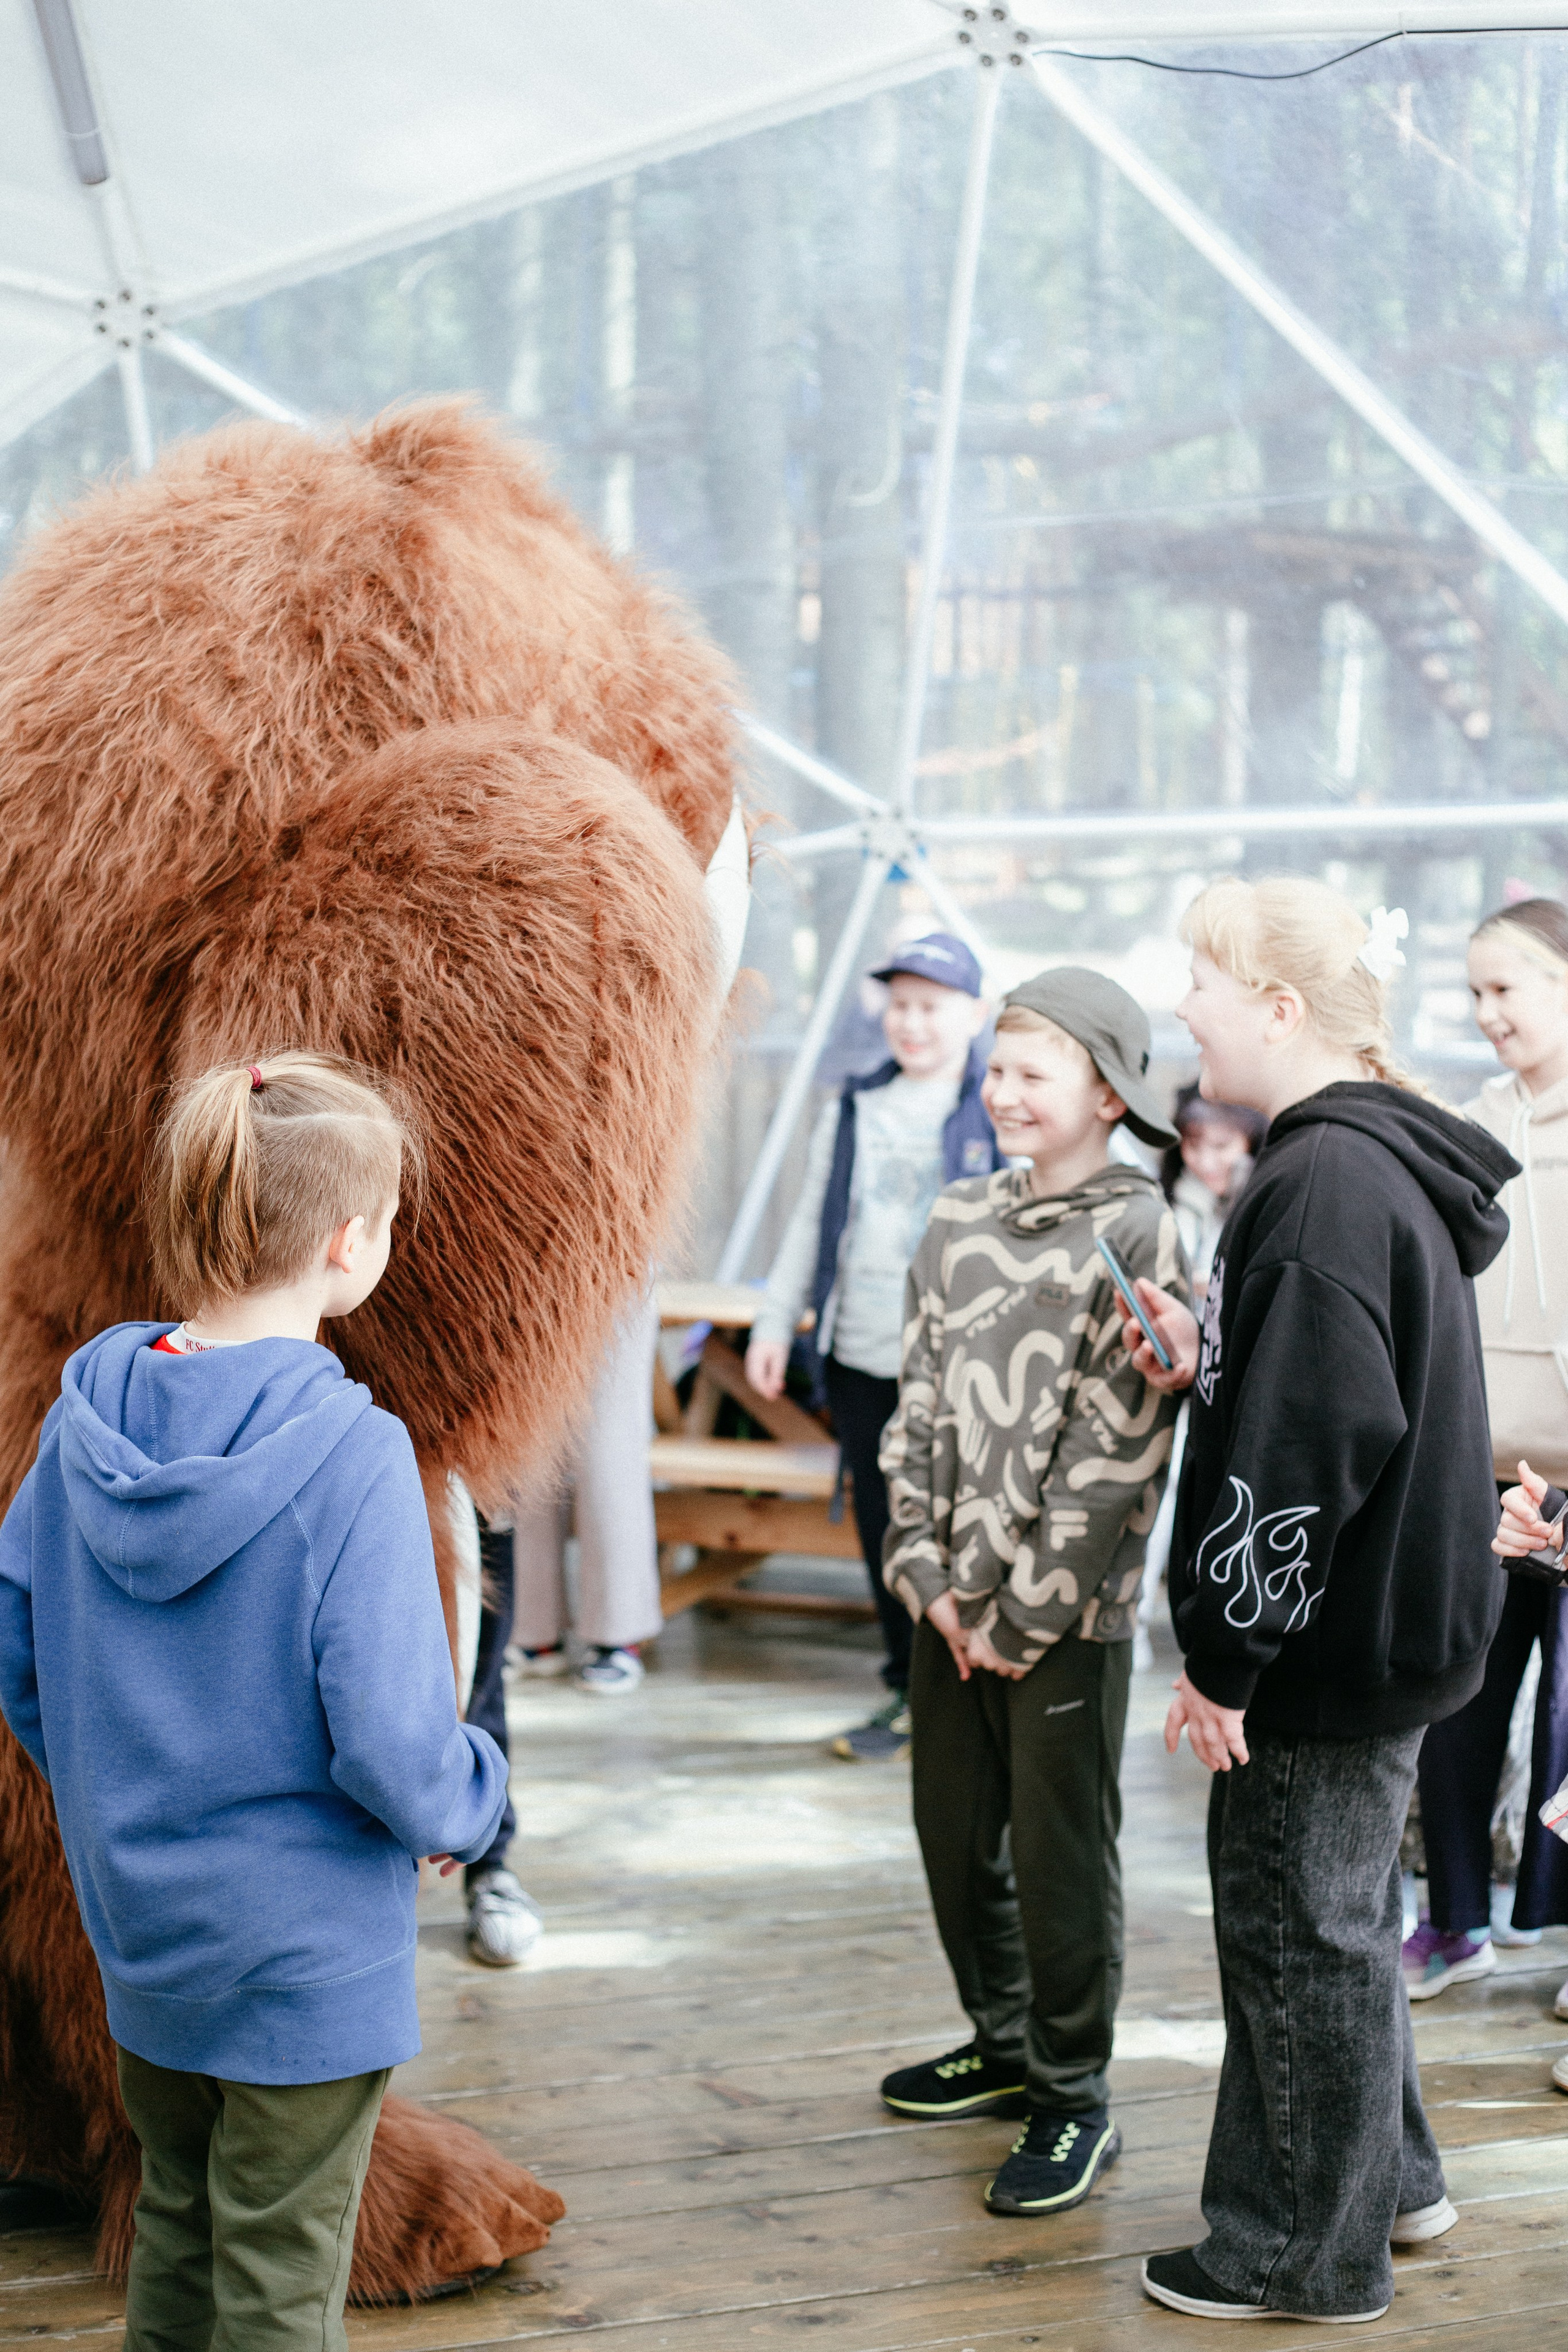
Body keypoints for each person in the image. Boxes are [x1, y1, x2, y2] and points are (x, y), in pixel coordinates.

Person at [0, 1054, 509, 2352]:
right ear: (351, 1244)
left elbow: (21, 1658)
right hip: (303, 1961)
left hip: (142, 1931)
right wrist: (471, 1801)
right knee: (284, 2279)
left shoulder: (81, 1422)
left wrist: (121, 1786)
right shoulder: (353, 1454)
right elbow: (396, 1742)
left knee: (175, 2222)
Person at [1120, 881, 1517, 2327]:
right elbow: (1323, 1375)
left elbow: (1303, 1447)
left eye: (1200, 981)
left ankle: (1297, 2249)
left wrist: (1220, 1661)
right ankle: (1388, 2183)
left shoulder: (1317, 1184)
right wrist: (1211, 1344)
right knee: (1346, 1913)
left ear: (1277, 1010)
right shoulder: (1362, 1163)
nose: (1181, 1004)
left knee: (1298, 1932)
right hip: (1396, 1625)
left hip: (1324, 1644)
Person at [876, 968, 1188, 2217]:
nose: (1001, 1092)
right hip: (946, 1608)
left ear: (1106, 1095)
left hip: (1062, 1620)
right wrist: (929, 1583)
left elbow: (1114, 1447)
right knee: (952, 1835)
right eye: (995, 1070)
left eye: (1031, 1073)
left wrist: (1018, 1613)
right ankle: (1002, 2042)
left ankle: (1071, 2096)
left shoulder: (1140, 1229)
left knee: (1060, 1858)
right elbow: (910, 1408)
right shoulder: (955, 1217)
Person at [745, 933, 998, 1761]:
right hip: (860, 1356)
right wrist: (776, 1325)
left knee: (955, 1532)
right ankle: (906, 1689)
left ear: (974, 1013)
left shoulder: (997, 1107)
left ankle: (962, 1692)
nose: (912, 1022)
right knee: (887, 1529)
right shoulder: (854, 1104)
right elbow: (814, 1221)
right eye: (900, 1005)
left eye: (930, 1006)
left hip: (959, 1369)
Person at [1408, 896, 1568, 1999]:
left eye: (1504, 989)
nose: (1484, 1014)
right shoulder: (1472, 1127)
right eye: (1471, 992)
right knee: (1454, 1705)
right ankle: (1456, 1921)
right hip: (1482, 1476)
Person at [506, 1292, 663, 1697]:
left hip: (614, 1249)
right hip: (522, 1255)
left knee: (609, 1448)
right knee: (525, 1438)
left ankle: (618, 1633)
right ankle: (532, 1631)